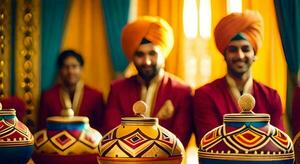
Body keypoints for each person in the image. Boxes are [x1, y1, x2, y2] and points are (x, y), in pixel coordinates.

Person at [193, 10, 284, 144]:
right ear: (224, 54)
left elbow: (278, 143)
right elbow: (209, 143)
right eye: (233, 49)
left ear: (254, 54)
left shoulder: (271, 97)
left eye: (246, 49)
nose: (240, 56)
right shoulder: (205, 95)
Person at [104, 16, 193, 147]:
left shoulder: (182, 91)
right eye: (140, 55)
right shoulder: (118, 89)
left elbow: (179, 141)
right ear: (132, 57)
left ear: (163, 53)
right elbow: (111, 135)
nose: (147, 61)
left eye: (152, 53)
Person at [37, 50, 105, 133]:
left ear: (81, 69)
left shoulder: (96, 96)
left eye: (74, 66)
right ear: (60, 70)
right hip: (55, 144)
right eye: (66, 67)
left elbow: (101, 129)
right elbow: (42, 129)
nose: (70, 71)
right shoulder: (48, 96)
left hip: (89, 144)